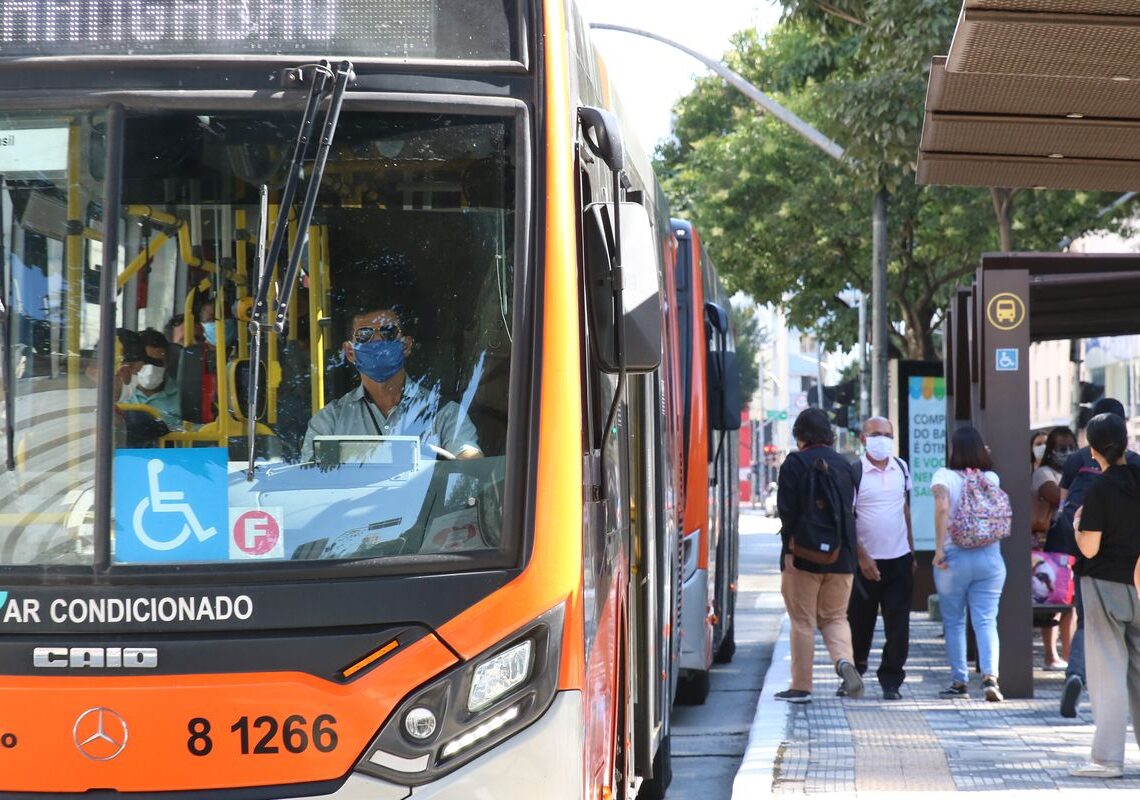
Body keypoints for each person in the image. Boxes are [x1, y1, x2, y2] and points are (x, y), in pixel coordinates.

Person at [301, 305, 482, 463]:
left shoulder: (444, 414)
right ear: (350, 352)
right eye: (364, 335)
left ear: (406, 346)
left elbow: (470, 465)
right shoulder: (330, 422)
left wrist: (466, 460)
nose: (378, 341)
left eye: (389, 332)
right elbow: (307, 483)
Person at [1056, 397, 1140, 718]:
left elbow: (1080, 530)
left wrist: (1078, 525)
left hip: (1099, 574)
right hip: (1135, 574)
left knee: (1102, 652)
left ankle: (1076, 674)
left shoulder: (1091, 477)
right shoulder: (1137, 468)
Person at [1068, 413, 1140, 779]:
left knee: (1108, 671)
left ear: (1093, 449)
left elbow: (1091, 549)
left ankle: (1108, 759)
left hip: (1104, 587)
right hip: (1139, 583)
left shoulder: (1099, 488)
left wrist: (1080, 526)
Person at [775, 407, 863, 704]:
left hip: (803, 556)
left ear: (799, 435)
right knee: (836, 617)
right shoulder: (846, 465)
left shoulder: (794, 464)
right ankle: (844, 662)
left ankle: (801, 686)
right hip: (842, 557)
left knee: (802, 621)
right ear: (830, 435)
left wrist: (788, 551)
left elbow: (788, 513)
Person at [932, 426, 1006, 702]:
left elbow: (941, 507)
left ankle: (959, 681)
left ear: (953, 449)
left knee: (954, 622)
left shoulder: (944, 476)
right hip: (990, 558)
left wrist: (939, 549)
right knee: (987, 620)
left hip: (955, 558)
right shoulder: (991, 477)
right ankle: (990, 678)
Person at [847, 416, 914, 701]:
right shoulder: (854, 472)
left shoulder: (901, 467)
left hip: (899, 559)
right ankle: (854, 674)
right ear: (864, 438)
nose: (882, 439)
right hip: (865, 562)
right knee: (860, 623)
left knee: (898, 625)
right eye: (876, 434)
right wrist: (862, 557)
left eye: (888, 434)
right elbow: (848, 519)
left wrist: (911, 550)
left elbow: (905, 509)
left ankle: (891, 681)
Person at [1031, 426, 1077, 670]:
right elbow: (1058, 498)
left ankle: (1068, 656)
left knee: (1068, 604)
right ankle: (1051, 655)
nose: (1067, 452)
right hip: (1048, 547)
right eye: (1061, 448)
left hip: (1068, 545)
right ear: (1050, 451)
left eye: (1071, 447)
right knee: (1051, 602)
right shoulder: (1044, 474)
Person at [121, 328, 182, 433]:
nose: (151, 367)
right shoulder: (121, 392)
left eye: (157, 362)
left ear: (167, 363)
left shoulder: (183, 395)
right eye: (146, 361)